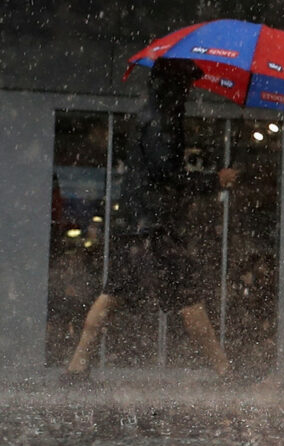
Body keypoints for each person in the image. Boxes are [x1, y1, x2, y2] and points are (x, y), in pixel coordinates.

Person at [62, 59, 238, 378]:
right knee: (188, 298)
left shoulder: (150, 116)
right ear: (176, 87)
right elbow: (165, 174)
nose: (188, 92)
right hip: (154, 228)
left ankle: (77, 366)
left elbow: (157, 170)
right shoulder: (165, 120)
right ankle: (225, 372)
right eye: (186, 85)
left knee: (112, 294)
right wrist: (214, 180)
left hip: (138, 225)